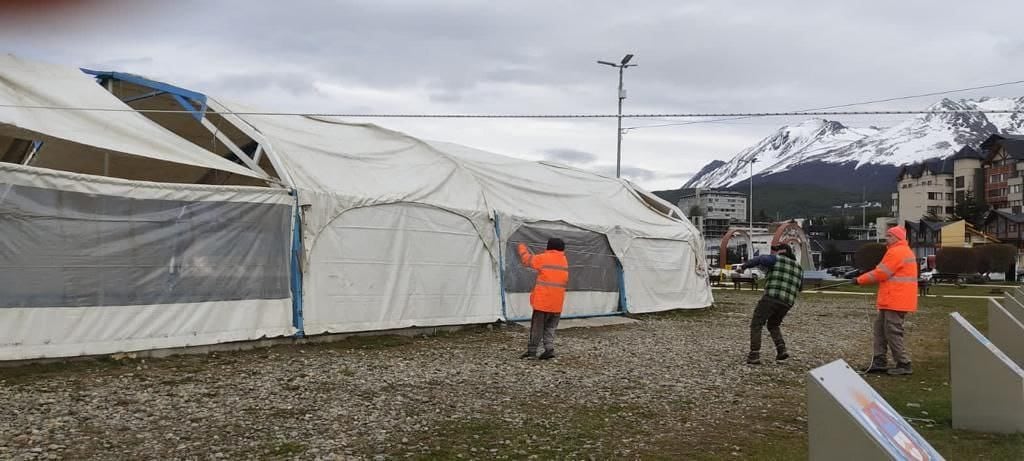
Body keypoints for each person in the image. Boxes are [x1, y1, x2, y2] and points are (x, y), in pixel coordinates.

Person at [854, 226, 918, 376]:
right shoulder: (901, 251)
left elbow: (881, 273)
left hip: (896, 300)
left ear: (897, 238)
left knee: (892, 331)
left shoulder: (897, 252)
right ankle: (879, 360)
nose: (886, 239)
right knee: (880, 329)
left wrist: (859, 280)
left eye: (889, 236)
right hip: (893, 299)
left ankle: (903, 363)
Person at [740, 243, 804, 365]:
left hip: (771, 298)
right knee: (773, 325)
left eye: (776, 250)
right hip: (787, 302)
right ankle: (781, 350)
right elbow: (800, 288)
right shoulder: (799, 268)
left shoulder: (776, 259)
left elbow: (760, 259)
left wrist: (744, 266)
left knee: (757, 323)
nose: (773, 253)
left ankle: (754, 355)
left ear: (782, 252)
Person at [517, 237, 569, 360]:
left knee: (537, 328)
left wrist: (521, 247)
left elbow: (527, 260)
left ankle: (532, 351)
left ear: (549, 247)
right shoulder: (564, 261)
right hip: (557, 304)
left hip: (543, 303)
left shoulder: (544, 258)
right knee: (550, 328)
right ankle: (549, 349)